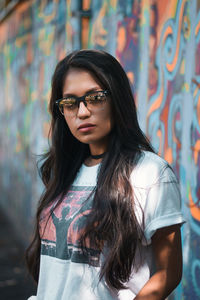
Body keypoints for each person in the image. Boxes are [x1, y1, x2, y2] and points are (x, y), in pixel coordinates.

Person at [26, 49, 185, 300]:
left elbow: (168, 273)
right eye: (69, 103)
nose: (82, 112)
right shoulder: (64, 170)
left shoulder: (150, 173)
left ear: (117, 99)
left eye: (95, 97)